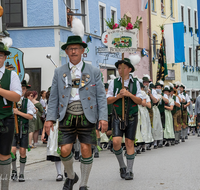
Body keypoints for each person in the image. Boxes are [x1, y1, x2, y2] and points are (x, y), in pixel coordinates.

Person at [45, 34, 108, 190]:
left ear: (82, 51)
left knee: (86, 149)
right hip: (66, 114)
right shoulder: (59, 72)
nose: (73, 51)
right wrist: (49, 118)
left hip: (88, 114)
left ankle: (84, 184)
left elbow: (101, 96)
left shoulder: (93, 71)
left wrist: (103, 118)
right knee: (64, 150)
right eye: (70, 49)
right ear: (66, 52)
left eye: (76, 49)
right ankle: (71, 176)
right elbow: (53, 97)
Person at [107, 57, 142, 180]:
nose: (120, 70)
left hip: (132, 116)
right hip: (117, 115)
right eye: (119, 68)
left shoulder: (136, 82)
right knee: (116, 142)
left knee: (129, 142)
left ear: (129, 69)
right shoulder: (114, 82)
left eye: (123, 68)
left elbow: (140, 101)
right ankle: (122, 165)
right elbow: (108, 100)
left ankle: (130, 170)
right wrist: (118, 96)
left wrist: (129, 94)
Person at [0, 41, 22, 190]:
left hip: (5, 120)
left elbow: (16, 97)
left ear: (4, 58)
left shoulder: (11, 74)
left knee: (4, 154)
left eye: (0, 55)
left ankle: (4, 187)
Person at [11, 79, 35, 182]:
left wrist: (17, 112)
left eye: (23, 89)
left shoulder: (27, 102)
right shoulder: (10, 101)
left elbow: (30, 116)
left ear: (25, 90)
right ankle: (14, 171)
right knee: (12, 150)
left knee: (22, 151)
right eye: (19, 88)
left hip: (23, 129)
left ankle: (21, 173)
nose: (21, 90)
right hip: (12, 129)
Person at [155, 80, 169, 147]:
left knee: (162, 126)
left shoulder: (164, 95)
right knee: (155, 126)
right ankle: (155, 142)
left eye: (159, 87)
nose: (158, 88)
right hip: (155, 112)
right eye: (157, 87)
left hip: (162, 112)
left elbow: (167, 101)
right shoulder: (154, 93)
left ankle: (161, 140)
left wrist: (161, 96)